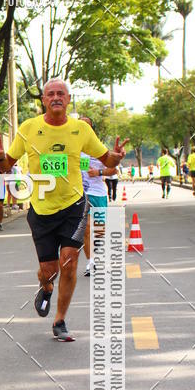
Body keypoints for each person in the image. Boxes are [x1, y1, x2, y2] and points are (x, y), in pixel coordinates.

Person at [0, 78, 128, 341]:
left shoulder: (81, 130)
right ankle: (46, 287)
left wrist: (117, 156)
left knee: (69, 261)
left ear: (67, 99)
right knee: (49, 270)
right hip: (41, 209)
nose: (55, 97)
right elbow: (7, 165)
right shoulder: (29, 128)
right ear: (43, 100)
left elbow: (105, 159)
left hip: (73, 206)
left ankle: (60, 320)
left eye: (60, 94)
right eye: (50, 94)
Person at [78, 116, 117, 277]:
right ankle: (91, 262)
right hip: (81, 194)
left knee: (99, 230)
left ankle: (97, 255)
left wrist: (99, 172)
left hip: (99, 193)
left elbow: (113, 170)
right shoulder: (72, 148)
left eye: (86, 125)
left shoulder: (99, 148)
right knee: (86, 230)